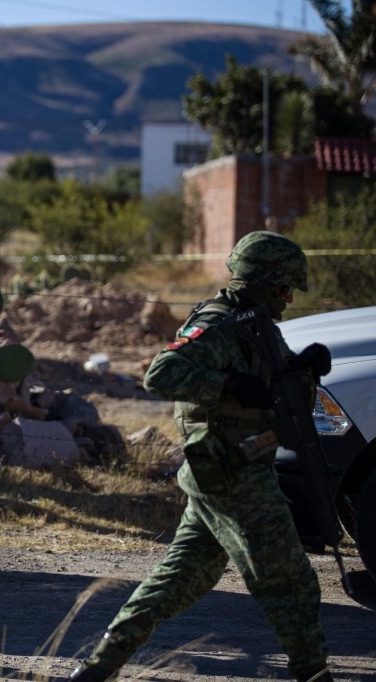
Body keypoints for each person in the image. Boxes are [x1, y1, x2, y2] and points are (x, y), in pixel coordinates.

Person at [69, 230, 334, 682]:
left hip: (226, 471)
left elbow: (275, 391)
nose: (289, 298)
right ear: (262, 282)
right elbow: (161, 374)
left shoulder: (256, 326)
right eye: (284, 288)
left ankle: (98, 668)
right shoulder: (219, 324)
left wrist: (304, 367)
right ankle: (313, 673)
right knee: (290, 581)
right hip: (233, 475)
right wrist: (227, 386)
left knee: (178, 581)